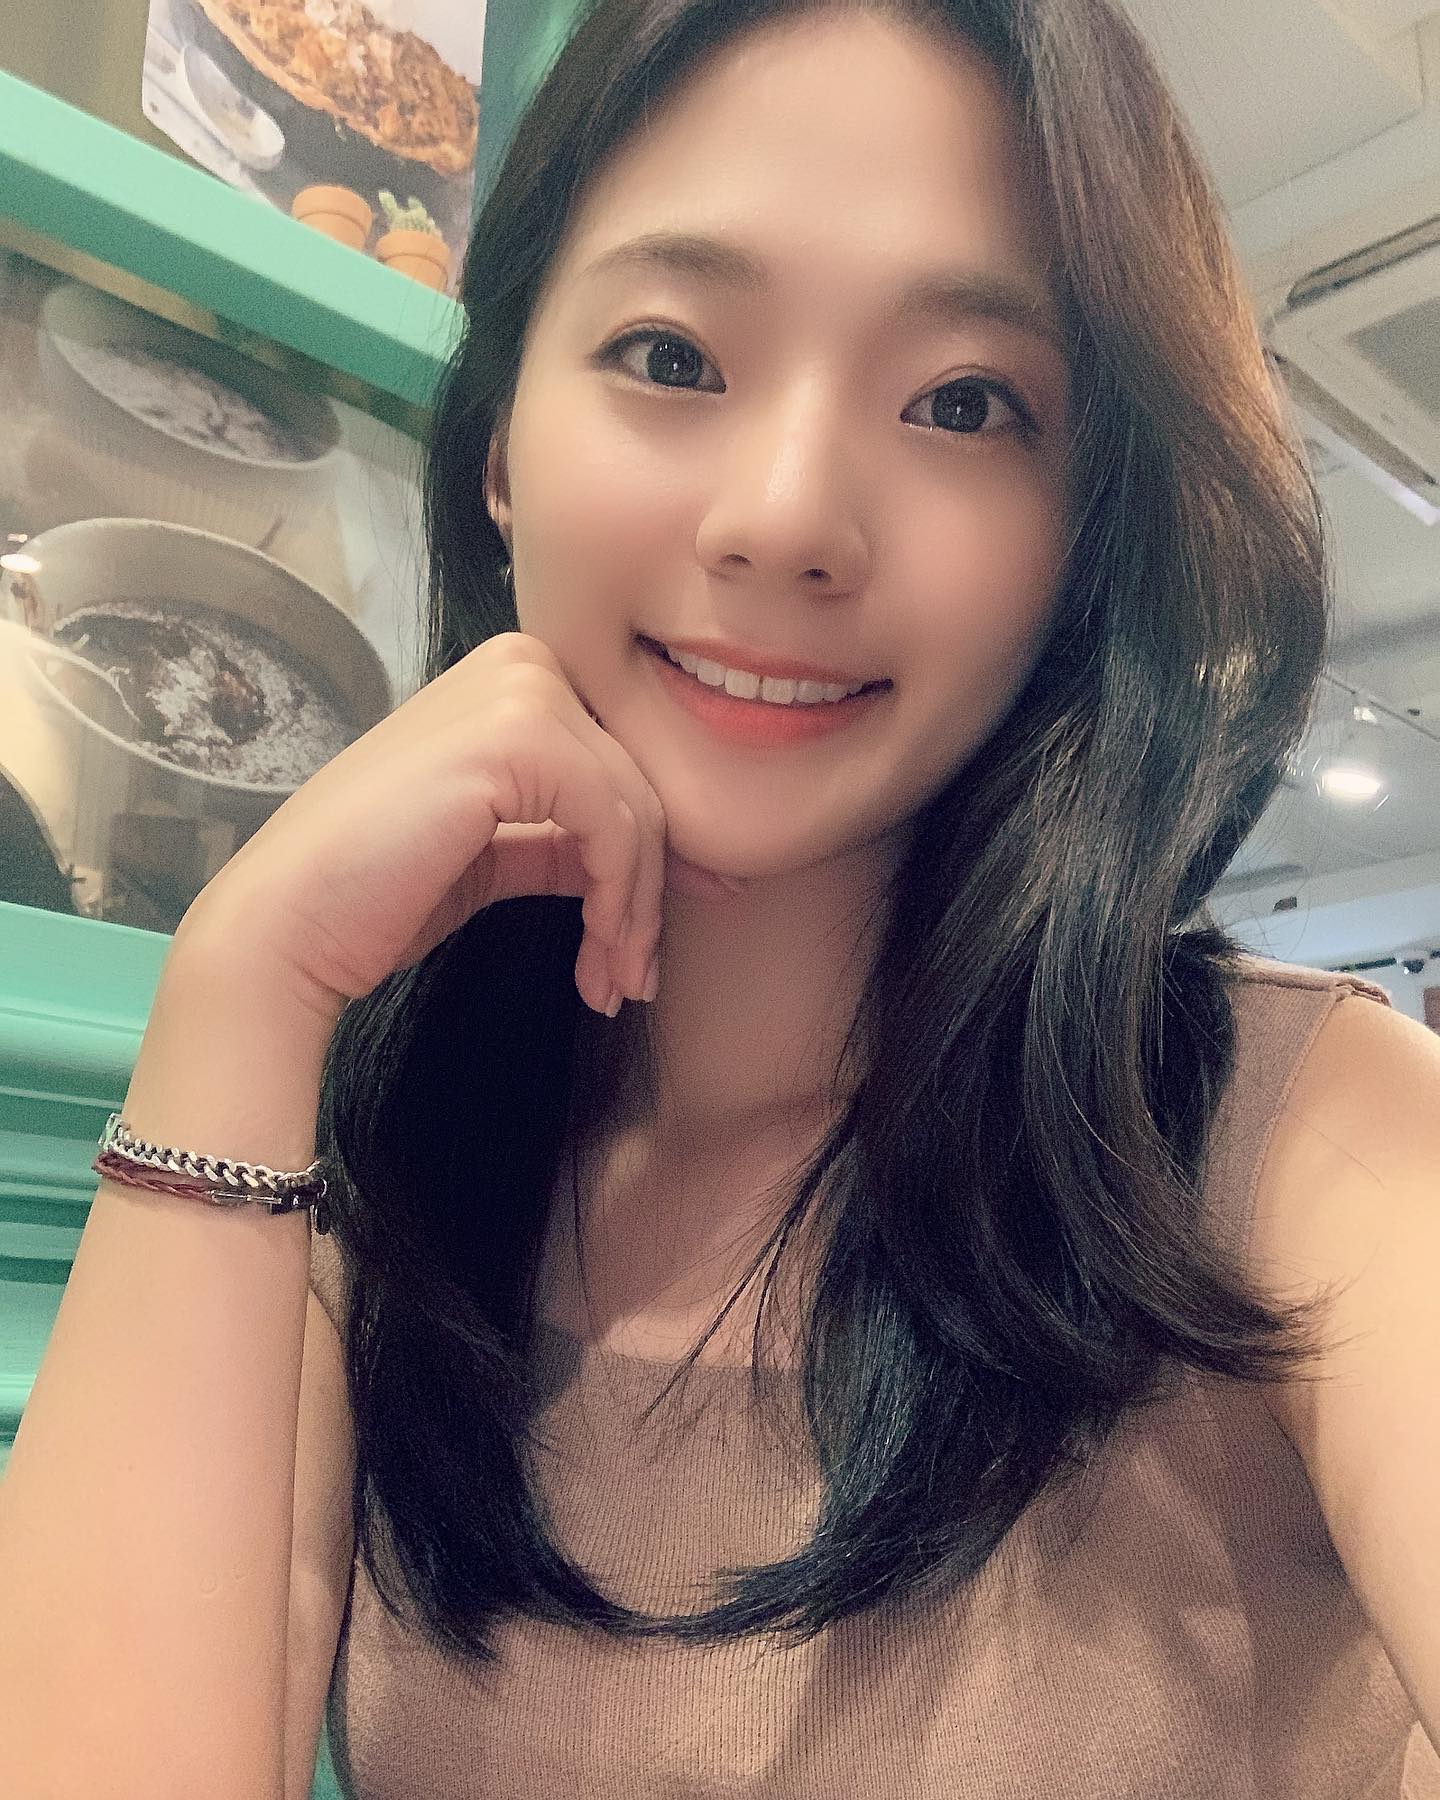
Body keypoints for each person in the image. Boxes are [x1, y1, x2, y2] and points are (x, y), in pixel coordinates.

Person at [4, 1, 1438, 1796]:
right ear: (501, 447)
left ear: (1084, 532)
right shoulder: (397, 1166)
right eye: (673, 356)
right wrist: (239, 987)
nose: (786, 516)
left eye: (965, 402)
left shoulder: (1305, 1144)